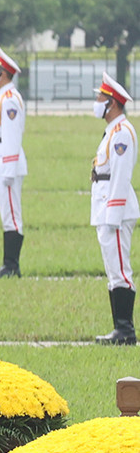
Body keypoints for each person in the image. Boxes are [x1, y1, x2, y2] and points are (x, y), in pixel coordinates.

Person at [91, 73, 138, 345]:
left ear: (112, 104)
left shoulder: (122, 133)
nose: (96, 102)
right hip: (106, 208)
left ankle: (125, 331)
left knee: (121, 270)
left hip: (115, 211)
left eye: (100, 98)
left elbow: (120, 176)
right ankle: (119, 329)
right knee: (113, 269)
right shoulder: (113, 131)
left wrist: (113, 215)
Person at [0, 47, 27, 277]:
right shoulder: (3, 97)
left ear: (2, 73)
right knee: (7, 214)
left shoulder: (10, 100)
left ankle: (11, 266)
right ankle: (8, 265)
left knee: (12, 214)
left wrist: (9, 169)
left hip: (6, 163)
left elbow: (12, 136)